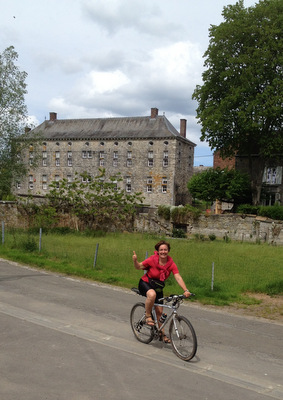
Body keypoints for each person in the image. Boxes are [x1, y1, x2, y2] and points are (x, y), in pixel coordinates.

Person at [132, 240, 191, 343]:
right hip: (145, 283)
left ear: (168, 251)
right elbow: (138, 267)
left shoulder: (171, 263)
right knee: (152, 294)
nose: (163, 252)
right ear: (158, 251)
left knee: (160, 312)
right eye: (161, 250)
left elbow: (177, 277)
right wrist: (135, 261)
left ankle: (162, 334)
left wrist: (185, 290)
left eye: (165, 250)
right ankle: (148, 316)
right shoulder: (152, 260)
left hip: (158, 287)